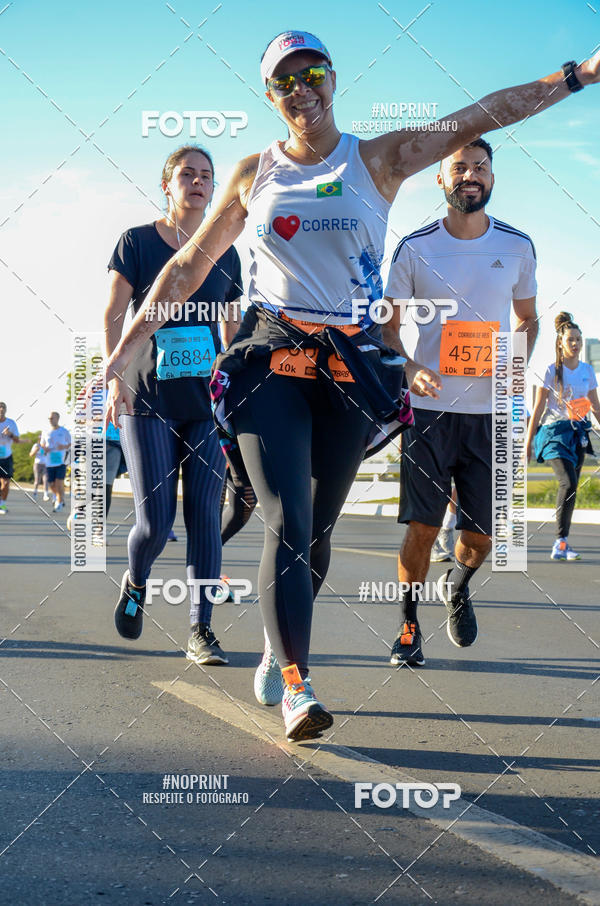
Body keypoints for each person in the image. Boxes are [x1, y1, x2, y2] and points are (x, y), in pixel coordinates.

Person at [101, 33, 600, 738]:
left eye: (312, 73)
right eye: (284, 81)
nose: (300, 88)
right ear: (270, 96)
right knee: (289, 521)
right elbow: (184, 268)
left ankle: (281, 644)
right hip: (270, 359)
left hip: (349, 368)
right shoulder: (253, 173)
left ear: (333, 79)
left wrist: (580, 76)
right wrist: (125, 350)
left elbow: (483, 113)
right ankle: (298, 688)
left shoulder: (379, 159)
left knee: (321, 529)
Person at [385, 137, 540, 665]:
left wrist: (516, 365)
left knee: (480, 540)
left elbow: (528, 318)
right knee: (423, 528)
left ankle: (460, 581)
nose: (470, 175)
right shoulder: (415, 247)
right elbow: (387, 329)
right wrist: (410, 368)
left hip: (490, 414)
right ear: (441, 179)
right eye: (459, 168)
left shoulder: (517, 247)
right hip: (429, 415)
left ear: (492, 179)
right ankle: (408, 624)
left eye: (480, 167)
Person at [104, 145, 243, 665]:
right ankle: (137, 580)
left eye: (207, 175)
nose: (199, 182)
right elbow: (115, 312)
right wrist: (115, 374)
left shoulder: (226, 251)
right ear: (168, 184)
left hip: (204, 404)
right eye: (187, 173)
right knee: (155, 523)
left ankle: (201, 630)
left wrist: (236, 386)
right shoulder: (137, 243)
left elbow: (230, 329)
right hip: (146, 399)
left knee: (205, 515)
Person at [526, 312, 600, 560]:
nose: (576, 344)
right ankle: (560, 542)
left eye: (579, 339)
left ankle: (562, 542)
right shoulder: (550, 370)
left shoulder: (587, 371)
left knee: (572, 488)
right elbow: (538, 409)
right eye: (571, 340)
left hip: (578, 433)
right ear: (560, 342)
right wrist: (528, 444)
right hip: (553, 433)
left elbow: (596, 406)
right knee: (567, 482)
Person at [40, 412, 70, 512]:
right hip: (49, 462)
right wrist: (45, 448)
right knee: (51, 484)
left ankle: (59, 502)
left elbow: (70, 444)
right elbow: (42, 444)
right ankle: (59, 496)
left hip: (61, 462)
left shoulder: (64, 431)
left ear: (58, 418)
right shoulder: (45, 431)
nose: (50, 420)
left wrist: (64, 446)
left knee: (59, 483)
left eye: (52, 418)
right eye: (49, 418)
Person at [0, 401, 20, 514]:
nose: (1, 410)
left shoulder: (11, 423)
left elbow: (17, 440)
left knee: (6, 483)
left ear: (5, 411)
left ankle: (2, 504)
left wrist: (10, 434)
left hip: (6, 456)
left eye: (3, 408)